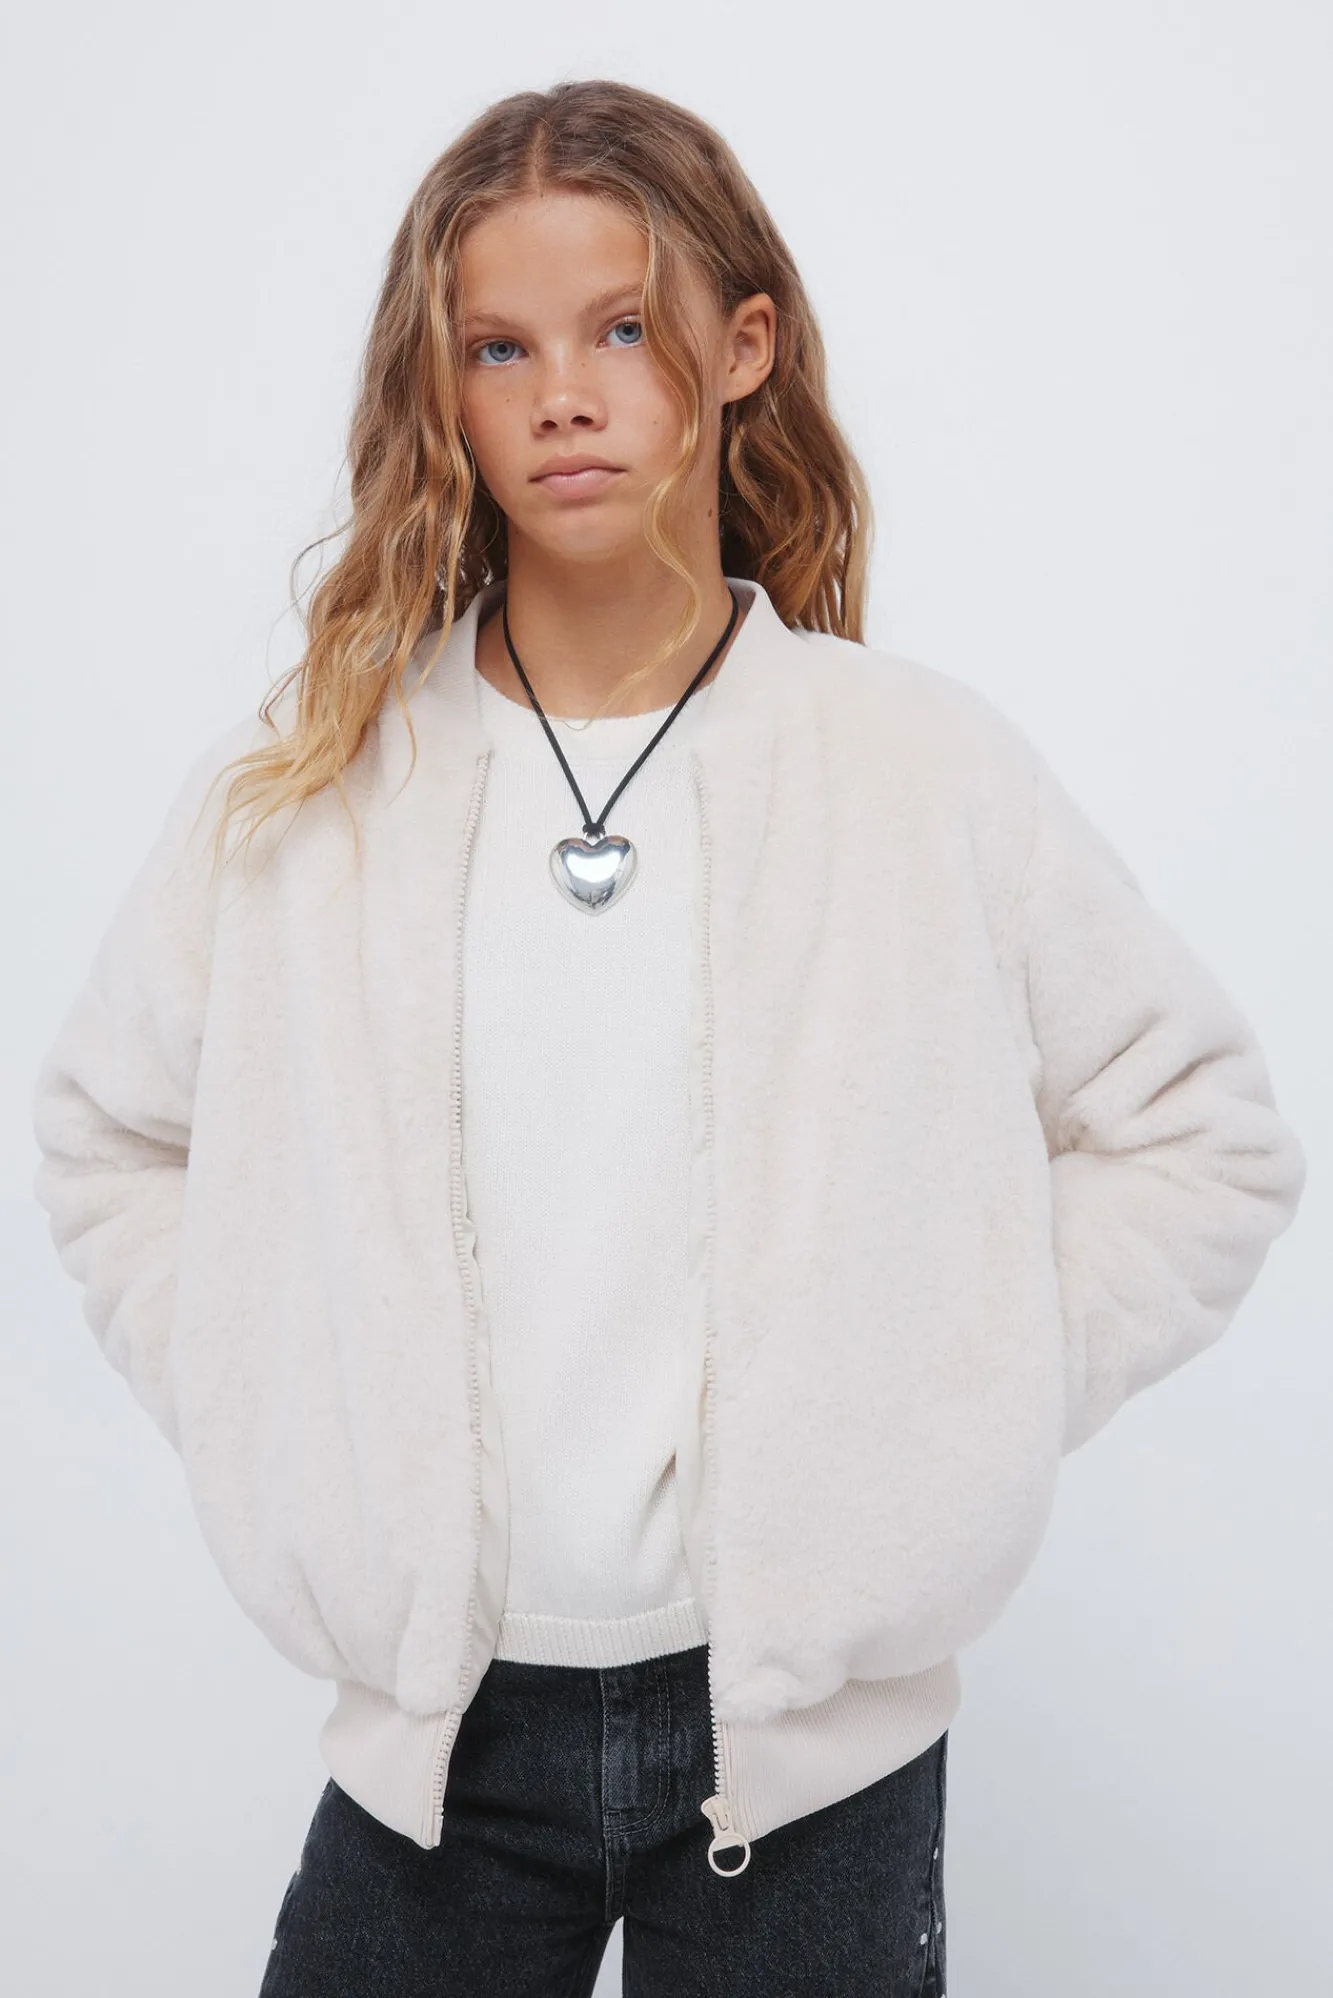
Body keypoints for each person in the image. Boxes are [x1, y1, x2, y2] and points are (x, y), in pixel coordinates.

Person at [30, 76, 1306, 1998]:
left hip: (810, 1763)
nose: (565, 395)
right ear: (445, 393)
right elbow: (111, 1136)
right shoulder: (312, 793)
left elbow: (1203, 1132)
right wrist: (284, 1405)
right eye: (501, 347)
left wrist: (955, 1393)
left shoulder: (915, 769)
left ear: (743, 344)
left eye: (623, 328)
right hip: (440, 1747)